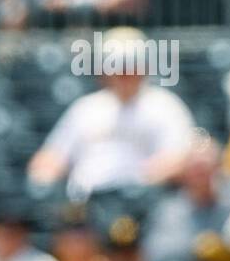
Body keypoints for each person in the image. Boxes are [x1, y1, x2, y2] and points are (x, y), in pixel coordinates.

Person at [28, 28, 196, 201]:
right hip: (87, 204)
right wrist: (44, 175)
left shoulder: (165, 105)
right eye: (117, 68)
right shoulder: (86, 108)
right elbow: (52, 156)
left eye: (130, 67)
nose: (124, 74)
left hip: (143, 203)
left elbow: (180, 157)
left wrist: (139, 179)